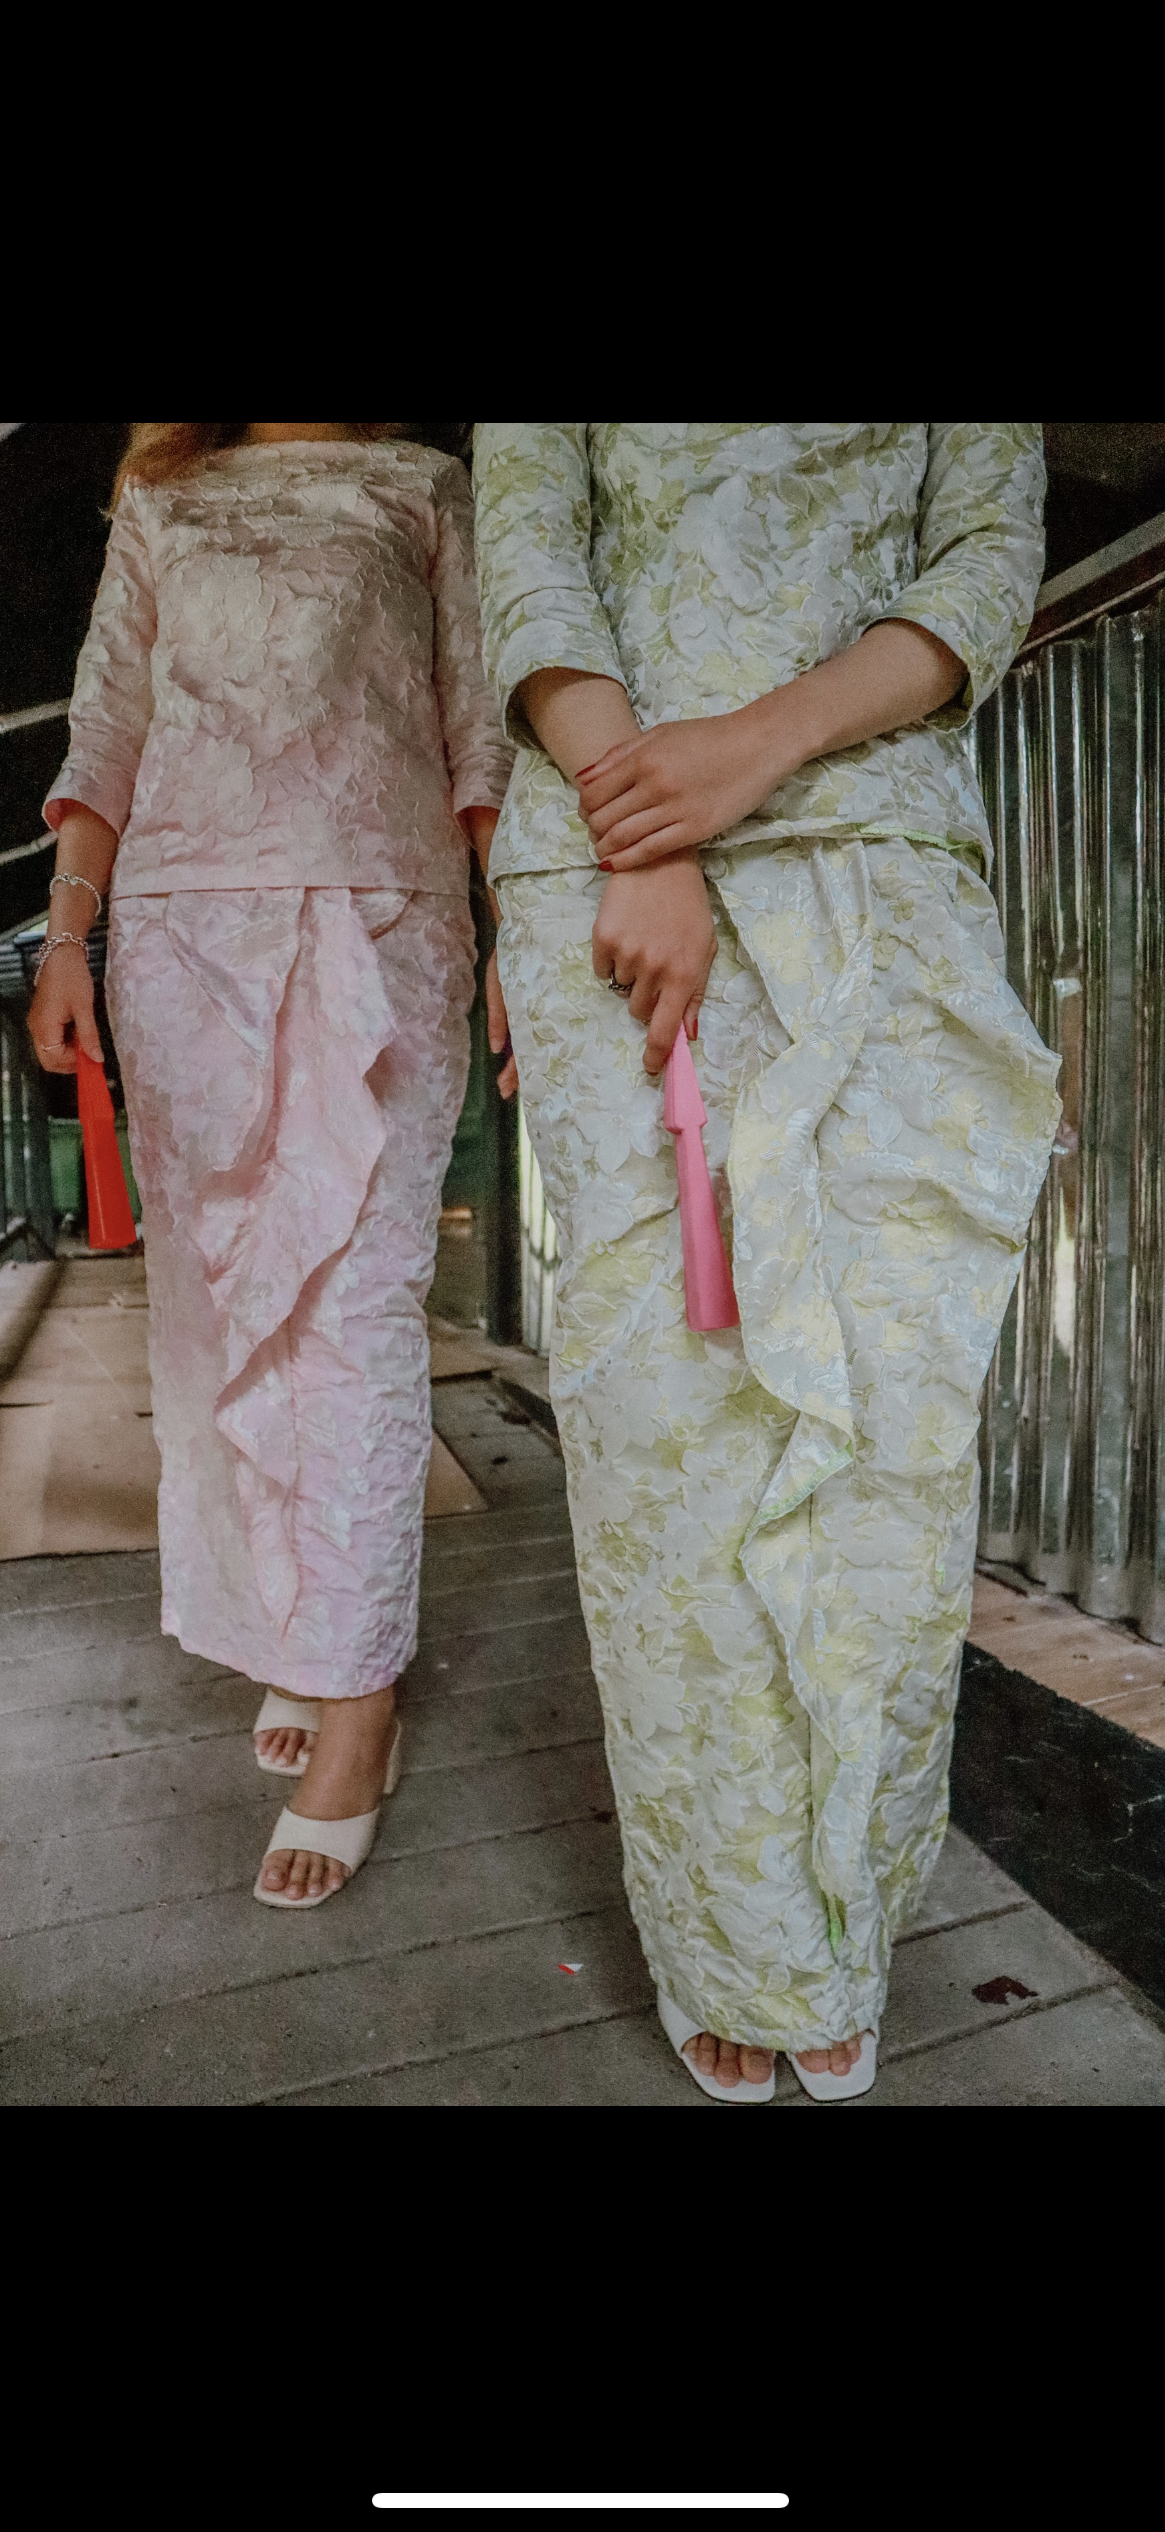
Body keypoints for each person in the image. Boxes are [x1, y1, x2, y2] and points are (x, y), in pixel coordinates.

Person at [474, 423, 1060, 2101]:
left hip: (877, 856)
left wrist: (752, 747)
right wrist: (647, 832)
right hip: (614, 877)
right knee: (672, 1438)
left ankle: (835, 1936)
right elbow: (529, 557)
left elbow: (983, 565)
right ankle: (731, 1942)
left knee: (888, 1438)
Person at [29, 422, 511, 1910]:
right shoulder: (160, 492)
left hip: (384, 912)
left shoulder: (421, 485)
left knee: (356, 1315)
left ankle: (357, 1698)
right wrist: (65, 934)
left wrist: (516, 930)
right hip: (180, 930)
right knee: (223, 1314)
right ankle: (295, 1633)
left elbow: (476, 724)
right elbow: (107, 721)